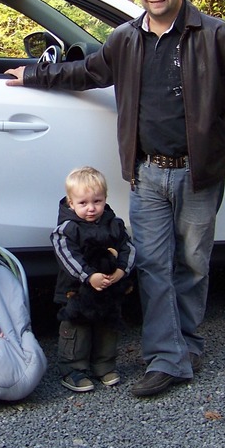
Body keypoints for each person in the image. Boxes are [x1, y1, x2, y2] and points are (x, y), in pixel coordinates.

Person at [5, 0, 225, 397]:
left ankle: (186, 344)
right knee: (154, 265)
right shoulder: (126, 39)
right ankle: (165, 359)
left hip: (198, 172)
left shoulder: (214, 35)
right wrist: (37, 75)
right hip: (148, 173)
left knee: (192, 263)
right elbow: (88, 71)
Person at [51, 166, 135, 393]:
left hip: (108, 291)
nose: (91, 208)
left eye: (97, 201)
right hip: (76, 293)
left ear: (105, 199)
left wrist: (121, 271)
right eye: (83, 203)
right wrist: (88, 276)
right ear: (71, 203)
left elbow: (128, 248)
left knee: (108, 328)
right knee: (78, 330)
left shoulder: (114, 224)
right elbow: (68, 257)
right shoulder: (67, 229)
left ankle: (104, 365)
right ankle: (74, 370)